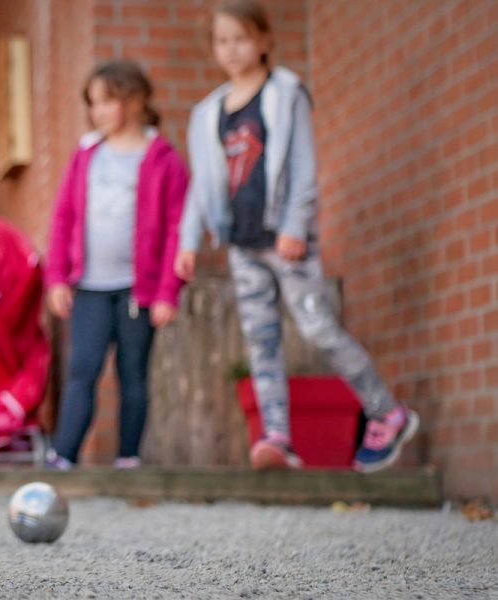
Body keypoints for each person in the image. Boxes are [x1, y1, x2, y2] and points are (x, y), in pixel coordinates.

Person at [174, 0, 418, 472]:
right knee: (261, 340)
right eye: (222, 40)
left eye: (241, 38)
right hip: (242, 245)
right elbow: (201, 185)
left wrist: (293, 226)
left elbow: (304, 168)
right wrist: (189, 239)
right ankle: (278, 436)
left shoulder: (286, 92)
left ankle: (388, 412)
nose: (231, 49)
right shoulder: (206, 114)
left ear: (264, 40)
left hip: (287, 243)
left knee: (317, 327)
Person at [44, 60, 189, 470]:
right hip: (89, 286)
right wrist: (57, 278)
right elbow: (64, 217)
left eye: (107, 101)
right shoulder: (87, 154)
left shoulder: (163, 159)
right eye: (93, 104)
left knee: (133, 374)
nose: (99, 112)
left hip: (136, 291)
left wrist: (166, 292)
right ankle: (64, 456)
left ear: (136, 99)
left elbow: (177, 230)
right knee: (82, 368)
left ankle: (128, 458)